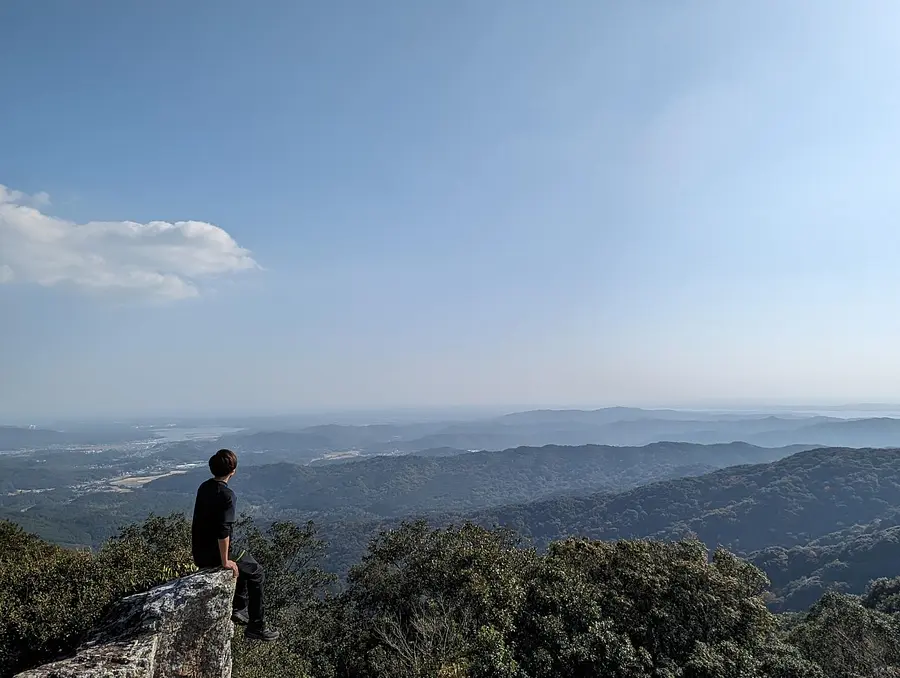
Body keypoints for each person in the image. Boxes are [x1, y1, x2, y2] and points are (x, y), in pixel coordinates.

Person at [191, 448, 279, 641]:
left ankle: (239, 608)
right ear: (233, 470)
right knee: (256, 571)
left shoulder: (204, 487)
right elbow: (223, 531)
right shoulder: (227, 496)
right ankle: (256, 625)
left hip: (199, 552)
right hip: (215, 553)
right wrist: (225, 561)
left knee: (244, 562)